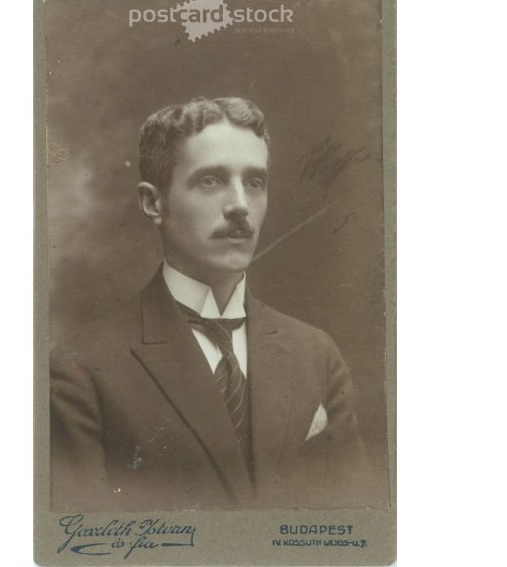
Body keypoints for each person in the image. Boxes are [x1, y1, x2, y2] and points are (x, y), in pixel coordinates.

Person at [50, 96, 369, 511]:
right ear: (153, 203)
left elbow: (354, 528)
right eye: (210, 181)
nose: (239, 205)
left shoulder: (315, 354)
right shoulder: (81, 370)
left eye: (254, 182)